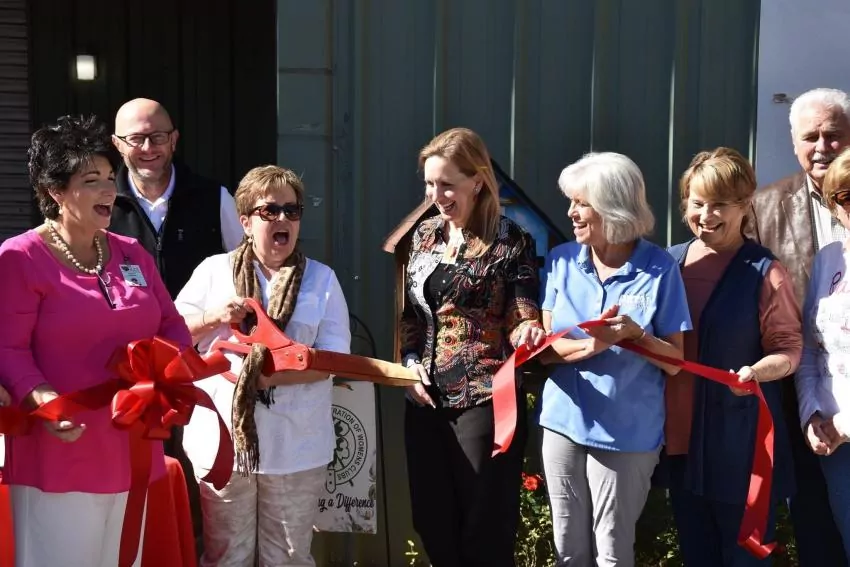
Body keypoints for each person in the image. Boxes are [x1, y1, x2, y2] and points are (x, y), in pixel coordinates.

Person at [0, 115, 192, 566]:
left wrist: (168, 377)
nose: (108, 189)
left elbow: (172, 326)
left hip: (133, 446)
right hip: (60, 447)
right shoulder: (19, 258)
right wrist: (44, 400)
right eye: (91, 181)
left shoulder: (131, 252)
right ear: (55, 191)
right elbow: (8, 348)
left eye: (109, 177)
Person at [174, 165, 351, 567]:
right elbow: (172, 333)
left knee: (287, 559)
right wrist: (215, 317)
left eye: (292, 210)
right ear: (245, 222)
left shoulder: (322, 279)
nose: (283, 219)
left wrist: (269, 375)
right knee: (227, 557)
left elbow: (333, 359)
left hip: (297, 445)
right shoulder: (213, 271)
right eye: (270, 211)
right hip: (224, 442)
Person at [398, 127, 545, 567]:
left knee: (484, 526)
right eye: (430, 183)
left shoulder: (510, 240)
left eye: (447, 184)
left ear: (477, 181)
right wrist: (408, 363)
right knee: (431, 520)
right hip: (424, 398)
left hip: (484, 400)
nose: (436, 195)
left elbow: (521, 314)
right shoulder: (424, 235)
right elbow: (410, 316)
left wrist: (528, 331)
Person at [537, 152, 691, 567]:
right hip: (563, 423)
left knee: (612, 552)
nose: (571, 213)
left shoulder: (659, 268)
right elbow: (545, 350)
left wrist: (635, 335)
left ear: (612, 207)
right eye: (571, 202)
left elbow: (675, 361)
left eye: (581, 203)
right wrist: (594, 346)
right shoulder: (562, 260)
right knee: (568, 550)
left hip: (626, 433)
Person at [663, 147, 801, 566]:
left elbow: (788, 348)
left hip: (738, 445)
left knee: (744, 558)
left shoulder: (765, 271)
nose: (706, 215)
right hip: (678, 442)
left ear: (744, 206)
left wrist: (757, 371)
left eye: (719, 204)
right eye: (697, 203)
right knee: (696, 554)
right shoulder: (667, 263)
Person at [748, 87, 850, 566]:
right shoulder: (762, 208)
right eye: (811, 137)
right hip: (802, 403)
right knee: (815, 527)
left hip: (841, 414)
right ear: (793, 144)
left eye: (834, 135)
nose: (822, 147)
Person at [109, 98, 243, 299]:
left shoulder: (215, 198)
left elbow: (248, 269)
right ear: (118, 144)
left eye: (158, 137)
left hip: (203, 320)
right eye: (136, 138)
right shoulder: (103, 204)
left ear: (174, 139)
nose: (148, 148)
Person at [795, 147, 850, 561]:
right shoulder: (828, 260)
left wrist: (843, 425)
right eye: (844, 197)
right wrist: (811, 414)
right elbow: (810, 348)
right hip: (833, 443)